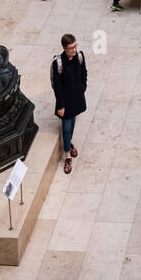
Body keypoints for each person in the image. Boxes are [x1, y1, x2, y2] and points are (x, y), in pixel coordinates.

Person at [51, 33, 87, 174]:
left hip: (76, 98)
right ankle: (67, 155)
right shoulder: (58, 63)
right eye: (71, 48)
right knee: (66, 127)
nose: (74, 50)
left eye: (75, 46)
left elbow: (84, 73)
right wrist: (60, 105)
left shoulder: (79, 56)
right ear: (64, 48)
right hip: (65, 101)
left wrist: (83, 87)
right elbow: (57, 86)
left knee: (72, 124)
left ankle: (69, 143)